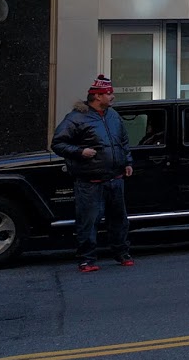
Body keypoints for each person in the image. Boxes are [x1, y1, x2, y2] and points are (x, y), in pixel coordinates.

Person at [51, 75, 134, 273]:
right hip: (90, 181)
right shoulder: (76, 118)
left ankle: (122, 253)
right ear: (97, 96)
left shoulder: (113, 115)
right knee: (88, 221)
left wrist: (127, 161)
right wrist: (80, 152)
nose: (112, 96)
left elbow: (123, 141)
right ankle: (86, 259)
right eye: (109, 93)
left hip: (115, 178)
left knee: (119, 219)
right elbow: (58, 143)